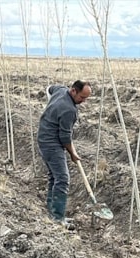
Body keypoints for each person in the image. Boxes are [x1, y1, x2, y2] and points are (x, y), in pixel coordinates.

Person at [37, 80, 92, 229]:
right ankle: (58, 218)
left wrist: (51, 107)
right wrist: (73, 153)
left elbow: (49, 88)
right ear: (73, 91)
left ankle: (52, 211)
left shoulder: (60, 90)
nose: (83, 101)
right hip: (51, 144)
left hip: (42, 138)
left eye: (86, 98)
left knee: (54, 176)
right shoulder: (69, 110)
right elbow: (65, 138)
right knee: (62, 178)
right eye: (82, 97)